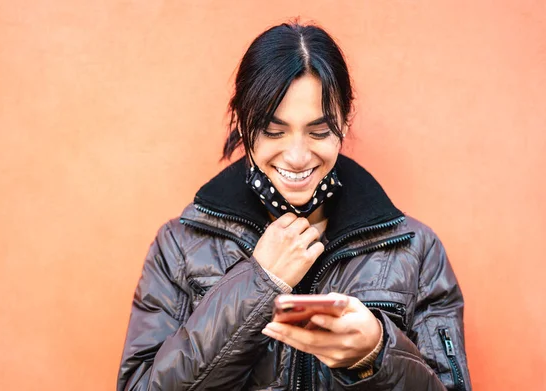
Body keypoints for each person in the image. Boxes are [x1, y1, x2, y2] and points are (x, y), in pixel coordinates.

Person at [117, 22, 472, 391]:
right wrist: (259, 284)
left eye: (319, 131)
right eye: (273, 131)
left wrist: (376, 355)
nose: (298, 156)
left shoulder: (415, 250)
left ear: (345, 120)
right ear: (240, 120)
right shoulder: (179, 246)